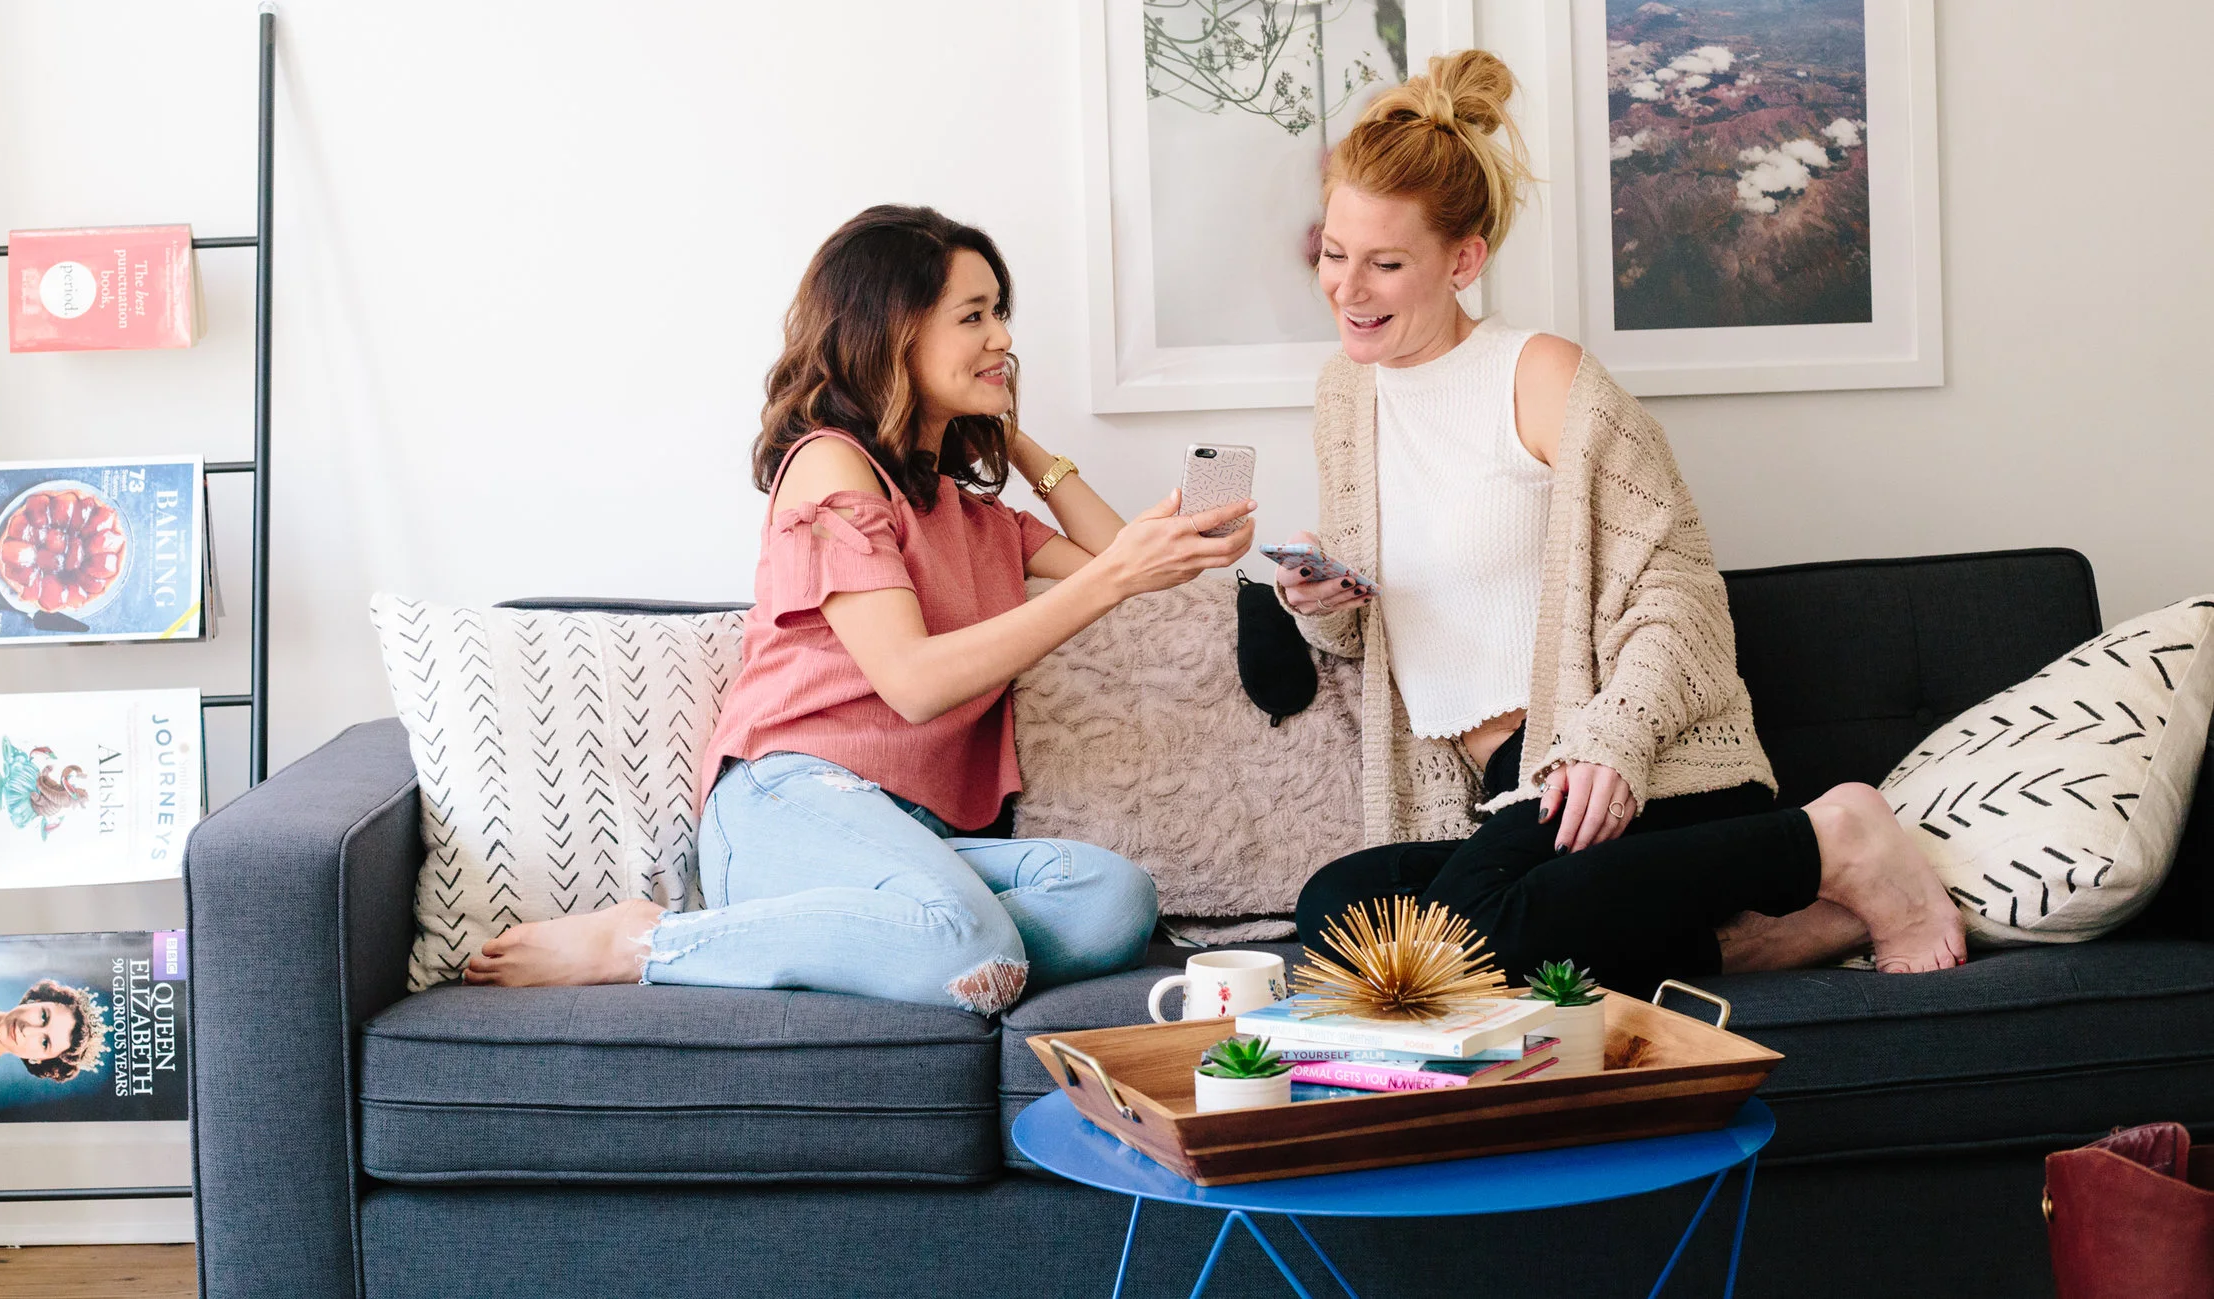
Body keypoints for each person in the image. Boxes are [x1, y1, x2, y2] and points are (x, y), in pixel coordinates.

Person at [1280, 50, 1964, 996]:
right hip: (1502, 798)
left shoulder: (1544, 377)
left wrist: (1613, 739)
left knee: (1468, 937)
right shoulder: (1343, 397)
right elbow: (1369, 633)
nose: (1348, 289)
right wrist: (1321, 598)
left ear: (1464, 260)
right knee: (1336, 910)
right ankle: (1761, 936)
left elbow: (1677, 588)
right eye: (1334, 253)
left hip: (1626, 766)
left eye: (1385, 263)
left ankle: (1829, 838)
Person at [466, 204, 1256, 1013]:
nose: (1002, 338)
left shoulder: (975, 517)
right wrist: (1115, 573)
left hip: (913, 840)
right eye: (973, 316)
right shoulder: (830, 466)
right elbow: (912, 679)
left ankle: (903, 940)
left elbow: (1130, 568)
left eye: (1000, 313)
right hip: (792, 804)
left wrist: (1019, 442)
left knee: (1114, 897)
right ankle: (647, 941)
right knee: (971, 945)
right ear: (891, 332)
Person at [0, 962, 108, 1120]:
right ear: (38, 1000)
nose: (27, 1030)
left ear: (40, 1060)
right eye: (43, 1016)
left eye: (44, 1042)